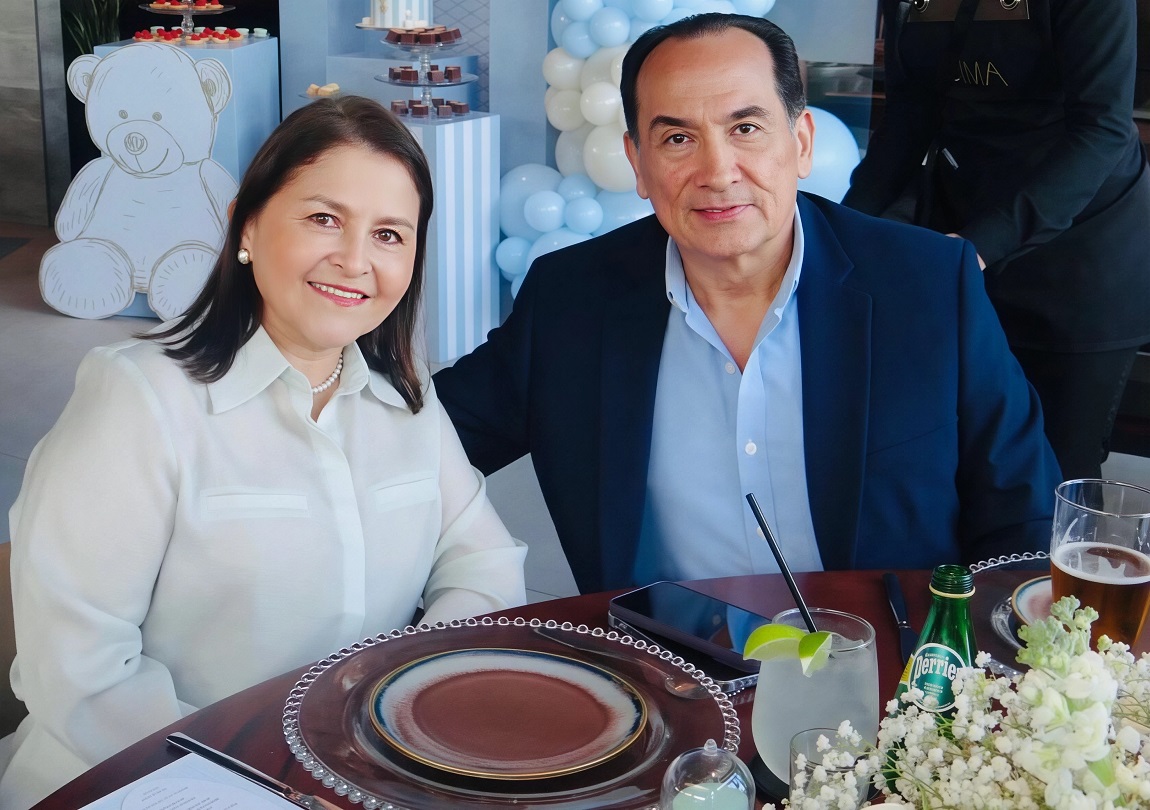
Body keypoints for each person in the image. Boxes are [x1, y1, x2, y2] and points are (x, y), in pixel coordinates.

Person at [0, 96, 526, 808]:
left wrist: (406, 693)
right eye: (323, 219)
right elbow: (79, 670)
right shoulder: (140, 398)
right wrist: (270, 782)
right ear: (246, 224)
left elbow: (484, 563)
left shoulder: (406, 399)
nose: (355, 260)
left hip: (354, 781)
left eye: (389, 235)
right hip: (148, 783)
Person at [433, 13, 1061, 595]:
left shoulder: (927, 285)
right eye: (677, 138)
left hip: (888, 662)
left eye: (746, 128)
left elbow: (1025, 520)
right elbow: (421, 443)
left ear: (802, 142)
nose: (718, 171)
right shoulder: (571, 300)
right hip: (664, 664)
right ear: (637, 164)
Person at [843, 0, 1150, 480]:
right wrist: (839, 229)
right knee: (951, 458)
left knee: (1052, 475)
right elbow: (909, 117)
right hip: (960, 237)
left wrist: (980, 245)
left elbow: (1102, 130)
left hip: (1079, 254)